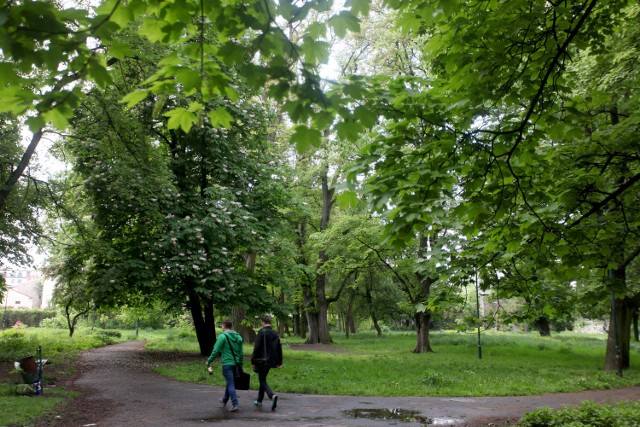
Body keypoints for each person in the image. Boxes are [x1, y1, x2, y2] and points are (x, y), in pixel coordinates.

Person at [206, 319, 244, 412]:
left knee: (231, 383)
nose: (221, 327)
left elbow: (216, 351)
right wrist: (241, 365)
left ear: (224, 326)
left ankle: (235, 404)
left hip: (227, 364)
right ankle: (224, 399)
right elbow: (241, 353)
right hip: (236, 364)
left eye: (222, 326)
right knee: (229, 382)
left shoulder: (222, 337)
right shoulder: (238, 337)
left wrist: (209, 361)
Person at [251, 314, 283, 411]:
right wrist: (279, 362)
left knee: (262, 380)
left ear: (263, 322)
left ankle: (271, 396)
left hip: (261, 360)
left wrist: (253, 360)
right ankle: (259, 400)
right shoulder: (275, 333)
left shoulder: (261, 332)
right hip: (271, 361)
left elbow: (256, 347)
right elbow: (279, 348)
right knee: (263, 378)